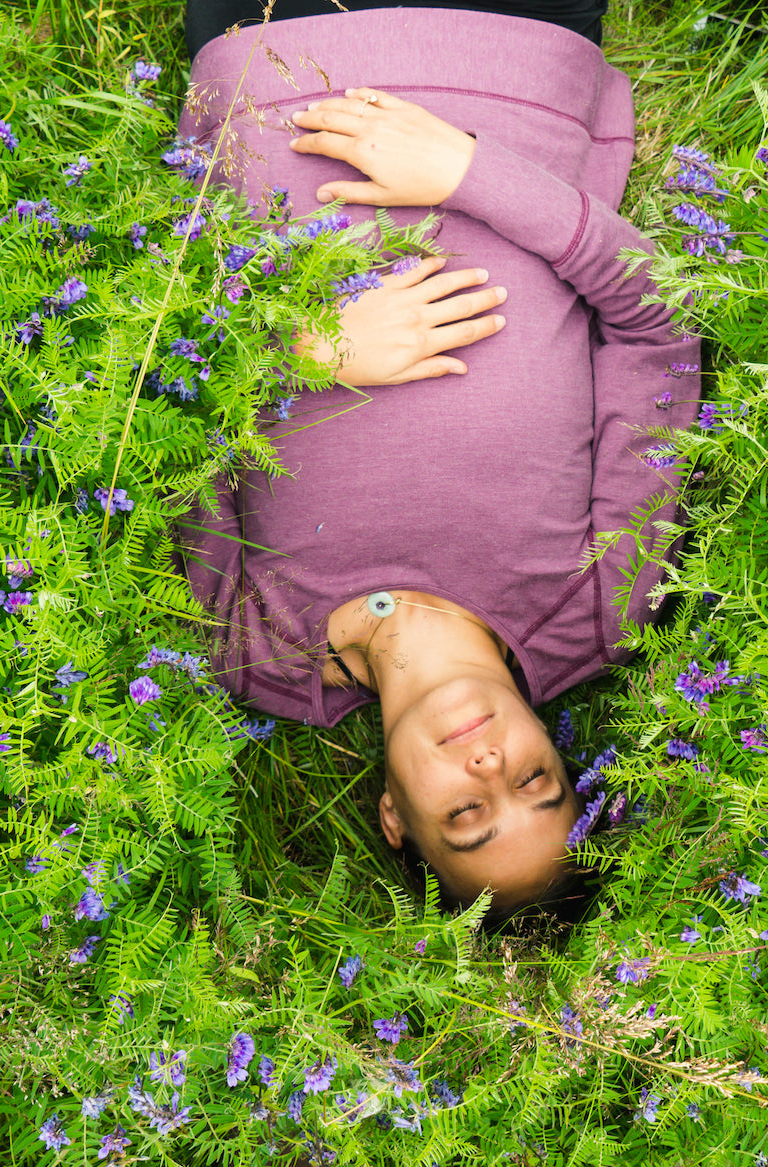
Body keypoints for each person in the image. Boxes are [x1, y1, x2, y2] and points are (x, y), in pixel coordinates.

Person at [171, 2, 699, 919]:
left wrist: (300, 352)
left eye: (466, 813)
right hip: (514, 51)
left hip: (271, 57)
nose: (492, 766)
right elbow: (660, 329)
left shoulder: (257, 653)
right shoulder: (601, 606)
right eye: (539, 783)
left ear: (394, 817)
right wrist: (466, 166)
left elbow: (153, 412)